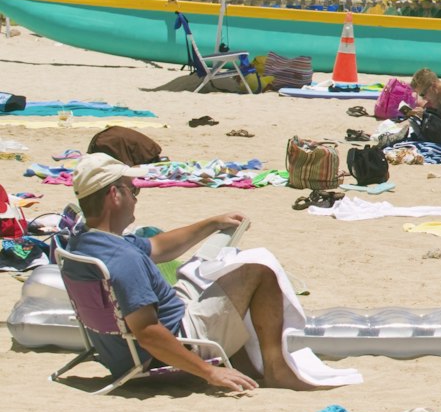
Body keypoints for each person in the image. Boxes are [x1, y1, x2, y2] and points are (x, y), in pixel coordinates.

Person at [61, 154, 322, 393]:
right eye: (133, 189)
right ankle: (276, 370)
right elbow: (148, 332)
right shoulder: (124, 260)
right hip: (175, 343)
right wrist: (209, 372)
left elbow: (160, 246)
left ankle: (246, 360)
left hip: (118, 353)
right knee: (259, 270)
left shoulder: (85, 242)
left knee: (209, 265)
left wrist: (212, 224)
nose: (137, 197)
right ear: (114, 194)